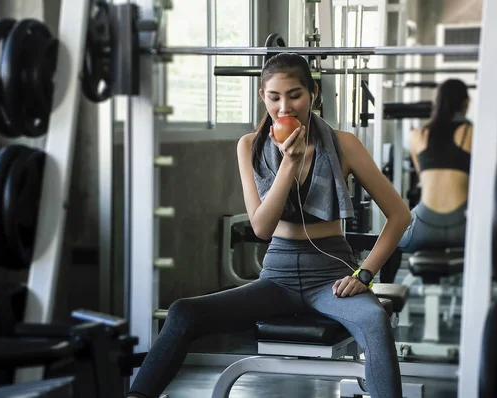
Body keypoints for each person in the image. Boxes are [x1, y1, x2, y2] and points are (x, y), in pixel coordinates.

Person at [125, 52, 411, 398]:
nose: (284, 107)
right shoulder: (249, 145)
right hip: (277, 276)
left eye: (295, 95)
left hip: (331, 275)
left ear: (313, 94)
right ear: (262, 96)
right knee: (183, 312)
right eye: (274, 97)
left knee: (375, 321)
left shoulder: (344, 144)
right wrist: (288, 165)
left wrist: (364, 274)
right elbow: (262, 228)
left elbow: (400, 215)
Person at [399, 78, 497, 305]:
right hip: (463, 227)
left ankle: (383, 293)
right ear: (465, 104)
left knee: (390, 239)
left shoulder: (417, 135)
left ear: (437, 103)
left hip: (424, 227)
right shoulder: (471, 133)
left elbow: (423, 179)